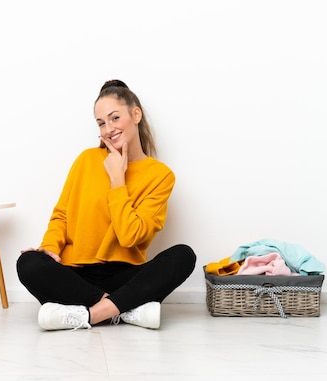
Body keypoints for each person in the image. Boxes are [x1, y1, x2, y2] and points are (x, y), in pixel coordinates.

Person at [16, 79, 197, 331]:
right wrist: (49, 247)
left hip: (125, 274)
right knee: (29, 263)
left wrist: (117, 179)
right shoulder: (86, 160)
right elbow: (62, 215)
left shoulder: (160, 175)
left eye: (114, 118)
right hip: (76, 272)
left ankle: (89, 314)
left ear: (136, 114)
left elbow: (129, 236)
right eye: (101, 123)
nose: (108, 128)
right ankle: (124, 310)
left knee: (183, 256)